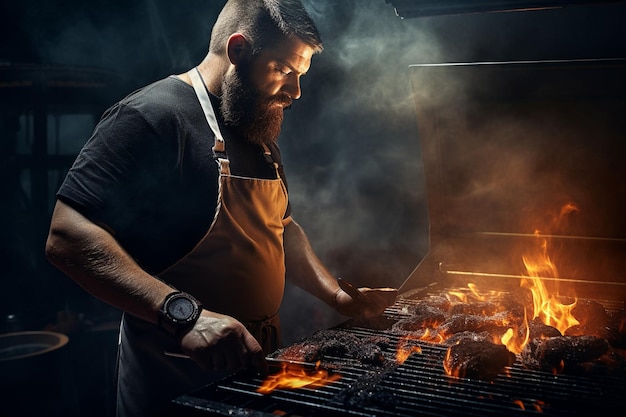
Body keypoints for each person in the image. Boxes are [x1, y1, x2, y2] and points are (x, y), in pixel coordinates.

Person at [45, 1, 398, 416]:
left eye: (300, 76)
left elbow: (280, 227)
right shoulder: (151, 116)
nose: (295, 91)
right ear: (238, 50)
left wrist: (337, 295)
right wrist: (185, 316)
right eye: (285, 70)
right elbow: (66, 235)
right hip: (175, 371)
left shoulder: (255, 131)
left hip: (253, 369)